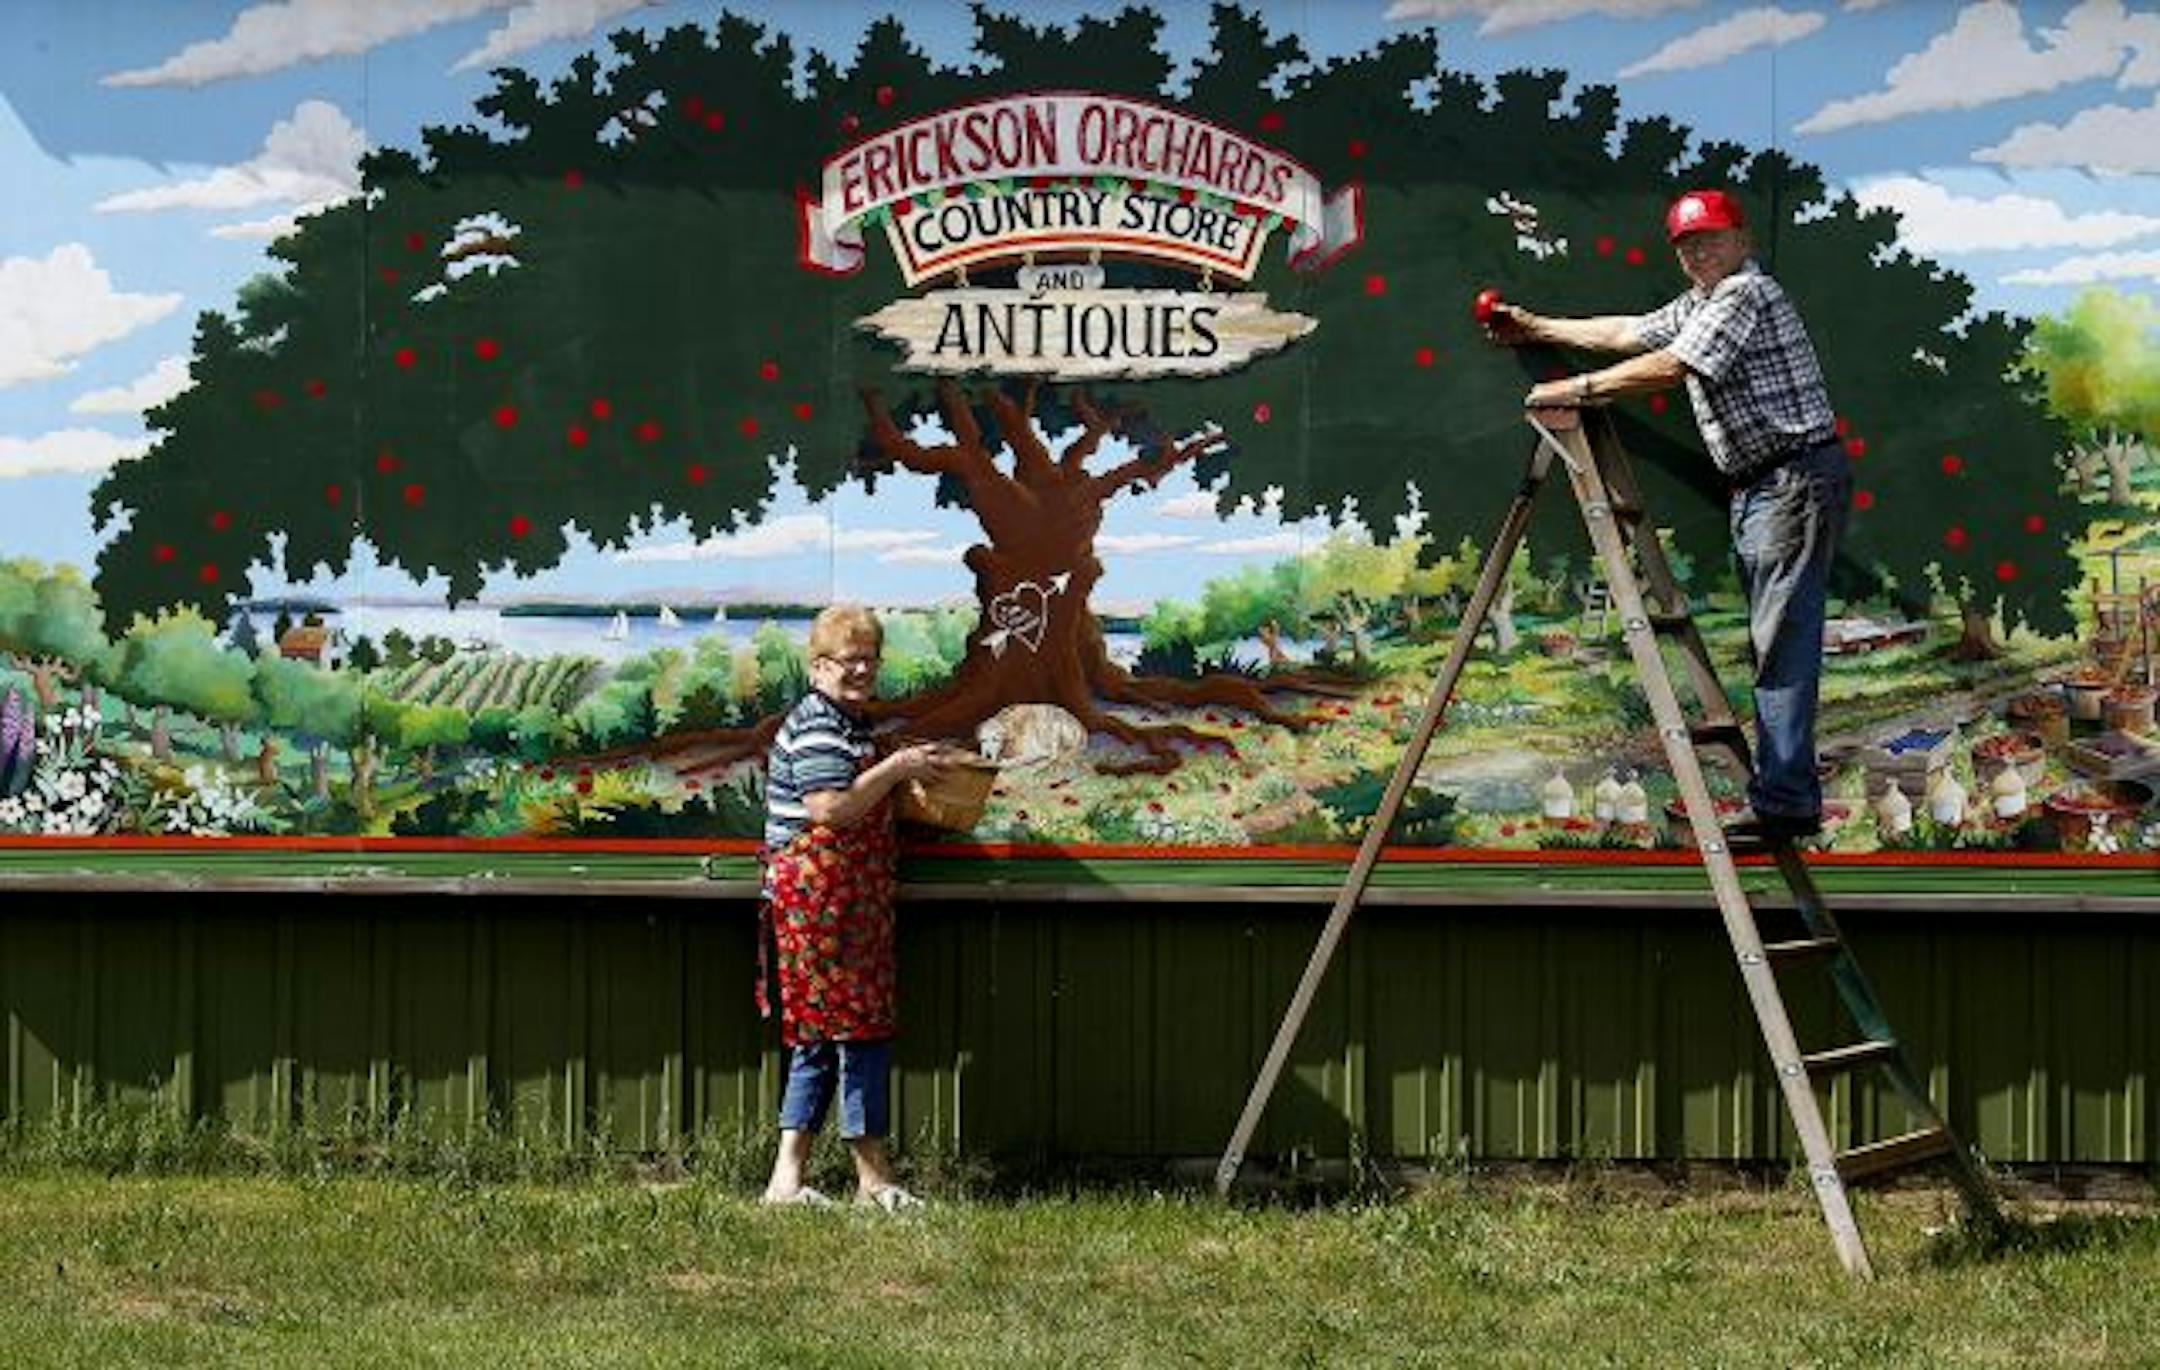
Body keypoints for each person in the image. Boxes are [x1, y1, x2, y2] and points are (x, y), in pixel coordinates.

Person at [1486, 188, 1847, 842]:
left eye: (1710, 239)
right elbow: (1628, 332)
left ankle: (1786, 802)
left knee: (1782, 641)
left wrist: (1574, 389)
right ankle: (1784, 795)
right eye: (1687, 245)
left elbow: (1674, 364)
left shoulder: (1745, 294)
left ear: (1742, 243)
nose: (1699, 252)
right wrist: (1536, 328)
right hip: (1766, 486)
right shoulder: (1701, 302)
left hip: (1790, 479)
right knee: (1776, 637)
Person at [758, 603, 958, 1207]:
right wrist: (897, 768)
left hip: (841, 904)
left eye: (870, 658)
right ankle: (875, 1183)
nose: (863, 670)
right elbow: (830, 809)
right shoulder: (819, 723)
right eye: (850, 660)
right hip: (821, 905)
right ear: (819, 667)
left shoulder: (849, 724)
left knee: (816, 1038)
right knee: (860, 1033)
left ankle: (786, 1180)